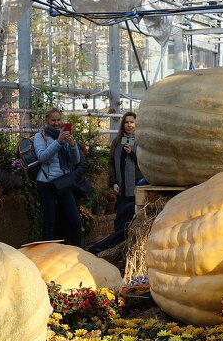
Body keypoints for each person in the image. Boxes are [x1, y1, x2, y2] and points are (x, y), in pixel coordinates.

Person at [89, 111, 143, 255]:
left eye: (132, 122)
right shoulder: (117, 141)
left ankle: (131, 248)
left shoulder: (141, 141)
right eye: (126, 122)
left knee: (131, 217)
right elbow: (111, 163)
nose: (129, 125)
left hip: (137, 184)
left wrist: (132, 153)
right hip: (121, 186)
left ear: (136, 124)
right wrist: (113, 182)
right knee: (120, 218)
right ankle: (116, 249)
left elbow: (144, 164)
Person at [32, 108, 83, 247]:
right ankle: (46, 254)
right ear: (47, 121)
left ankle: (80, 252)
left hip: (63, 183)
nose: (56, 123)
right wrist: (58, 142)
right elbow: (42, 156)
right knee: (50, 221)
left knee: (75, 220)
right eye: (53, 120)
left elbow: (76, 160)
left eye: (58, 120)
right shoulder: (40, 136)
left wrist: (72, 145)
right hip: (46, 183)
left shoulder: (64, 135)